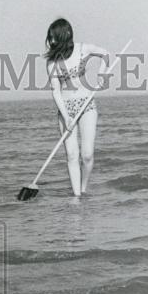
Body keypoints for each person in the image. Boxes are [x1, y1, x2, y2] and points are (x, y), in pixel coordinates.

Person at [45, 18, 110, 196]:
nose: (51, 41)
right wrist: (66, 117)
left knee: (87, 155)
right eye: (50, 38)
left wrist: (102, 74)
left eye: (54, 37)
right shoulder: (52, 62)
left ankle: (83, 188)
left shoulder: (83, 49)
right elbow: (56, 91)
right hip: (66, 110)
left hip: (87, 105)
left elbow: (105, 54)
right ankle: (77, 197)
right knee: (72, 155)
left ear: (65, 35)